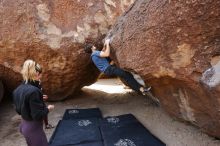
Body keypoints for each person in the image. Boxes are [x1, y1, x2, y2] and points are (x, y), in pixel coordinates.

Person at [84, 39, 152, 96]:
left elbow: (102, 52)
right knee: (127, 75)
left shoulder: (93, 56)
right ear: (92, 48)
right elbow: (106, 54)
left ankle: (140, 89)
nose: (94, 46)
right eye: (93, 46)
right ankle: (141, 89)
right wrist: (107, 43)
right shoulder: (95, 53)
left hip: (108, 69)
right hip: (109, 69)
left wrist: (105, 45)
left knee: (126, 75)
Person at [13, 59, 54, 146]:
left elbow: (19, 109)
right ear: (37, 74)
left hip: (24, 125)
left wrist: (39, 98)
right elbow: (37, 115)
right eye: (40, 74)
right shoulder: (34, 91)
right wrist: (48, 108)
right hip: (33, 128)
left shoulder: (18, 89)